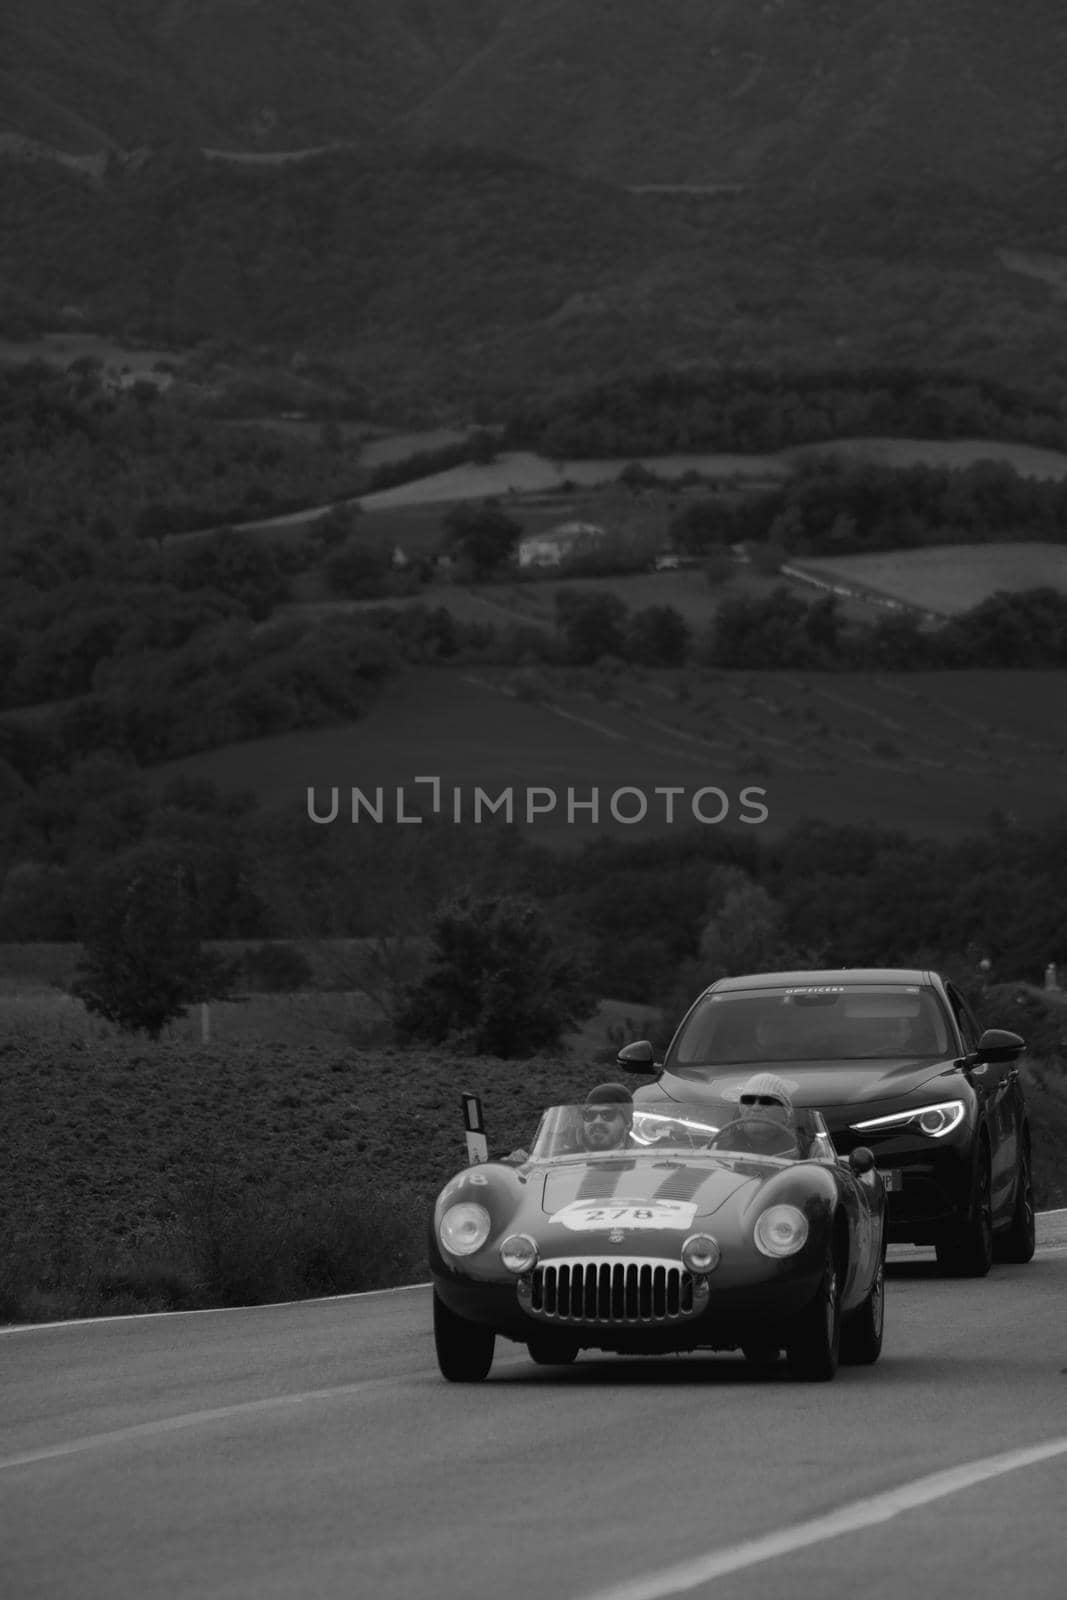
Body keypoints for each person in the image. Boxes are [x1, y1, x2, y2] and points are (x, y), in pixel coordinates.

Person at [708, 1072, 799, 1157]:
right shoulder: (714, 1151)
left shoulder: (803, 1154)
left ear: (786, 1115)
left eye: (766, 1101)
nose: (756, 1108)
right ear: (741, 1110)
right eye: (749, 1100)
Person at [578, 1082, 634, 1152]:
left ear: (628, 1123)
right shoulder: (566, 1160)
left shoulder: (644, 1160)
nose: (597, 1121)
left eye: (607, 1115)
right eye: (590, 1115)